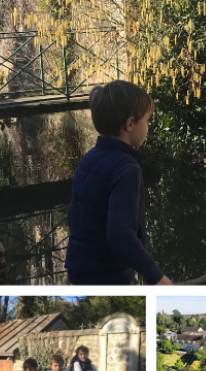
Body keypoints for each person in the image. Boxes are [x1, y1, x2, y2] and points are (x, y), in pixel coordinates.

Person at [65, 80, 174, 285]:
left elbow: (74, 215)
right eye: (147, 121)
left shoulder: (88, 158)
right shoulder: (127, 169)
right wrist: (156, 277)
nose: (148, 127)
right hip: (107, 274)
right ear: (130, 123)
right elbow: (120, 235)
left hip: (79, 268)